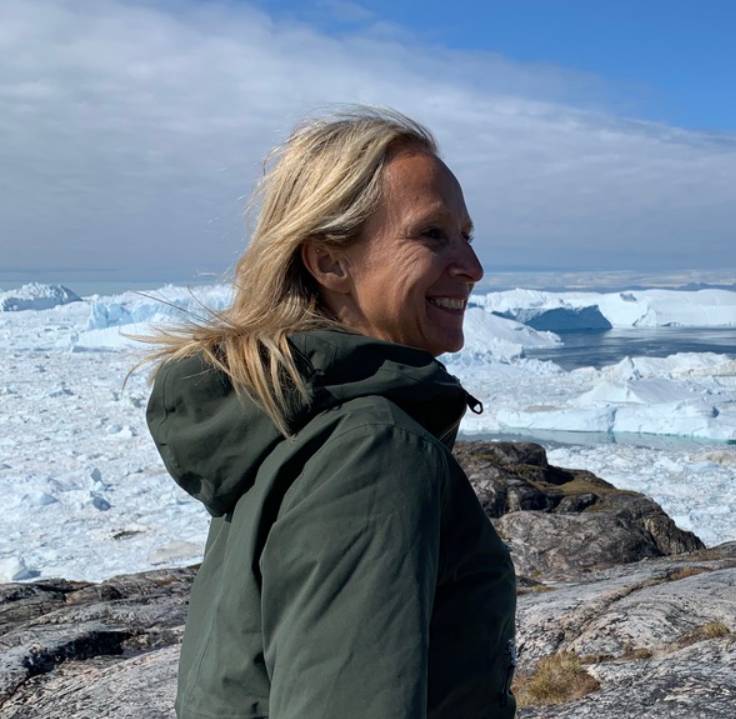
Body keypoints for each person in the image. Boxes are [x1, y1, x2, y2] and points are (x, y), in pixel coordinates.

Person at [144, 107, 518, 718]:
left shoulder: (283, 418)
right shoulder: (373, 450)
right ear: (329, 262)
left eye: (467, 236)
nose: (472, 267)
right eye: (432, 234)